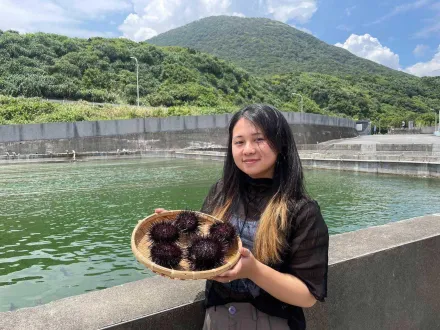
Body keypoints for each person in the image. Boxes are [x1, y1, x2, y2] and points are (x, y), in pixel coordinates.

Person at [156, 104, 329, 330]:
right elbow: (202, 244)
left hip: (273, 321)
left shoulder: (301, 210)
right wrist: (175, 236)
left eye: (259, 139)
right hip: (216, 318)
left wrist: (253, 270)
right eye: (239, 142)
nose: (248, 149)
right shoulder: (220, 193)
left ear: (281, 144)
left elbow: (307, 296)